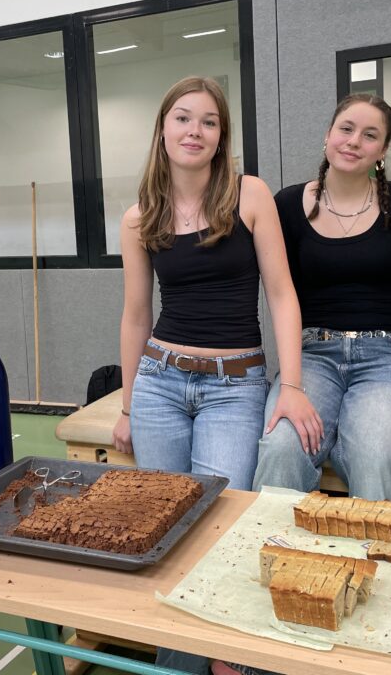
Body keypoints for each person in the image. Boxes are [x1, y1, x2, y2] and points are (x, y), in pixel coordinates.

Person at [115, 76, 317, 675]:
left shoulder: (248, 195)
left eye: (208, 121)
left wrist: (292, 385)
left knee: (219, 524)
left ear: (221, 135)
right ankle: (180, 664)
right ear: (163, 130)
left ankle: (228, 653)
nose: (194, 131)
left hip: (235, 385)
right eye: (183, 118)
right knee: (162, 528)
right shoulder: (140, 217)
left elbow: (282, 295)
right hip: (159, 382)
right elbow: (135, 315)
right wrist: (126, 405)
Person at [252, 94, 391, 503]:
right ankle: (273, 541)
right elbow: (279, 293)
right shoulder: (287, 205)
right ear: (328, 135)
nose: (354, 141)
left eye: (370, 135)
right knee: (282, 445)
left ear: (382, 151)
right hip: (313, 354)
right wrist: (290, 384)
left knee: (378, 454)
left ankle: (384, 544)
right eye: (346, 129)